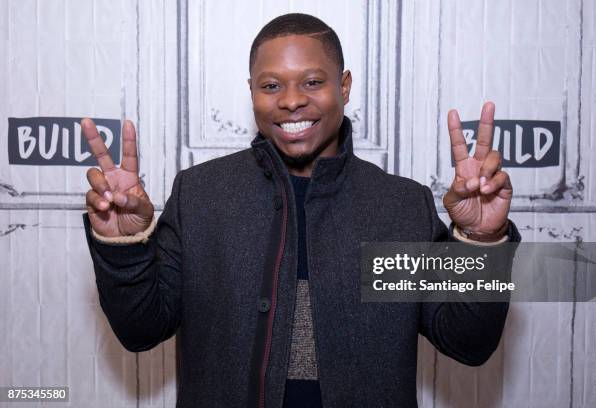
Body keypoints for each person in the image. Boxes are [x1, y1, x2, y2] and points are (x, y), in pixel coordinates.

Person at [82, 13, 520, 408]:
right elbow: (140, 331)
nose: (291, 100)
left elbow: (469, 343)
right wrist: (123, 243)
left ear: (344, 86)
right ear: (251, 91)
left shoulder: (399, 205)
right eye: (271, 85)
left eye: (312, 82)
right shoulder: (203, 195)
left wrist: (482, 242)